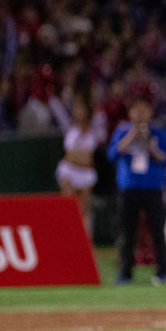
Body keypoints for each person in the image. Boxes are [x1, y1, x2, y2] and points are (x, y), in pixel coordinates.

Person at [107, 88, 166, 285]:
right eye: (137, 110)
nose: (141, 114)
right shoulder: (122, 132)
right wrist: (132, 135)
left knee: (158, 232)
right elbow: (112, 155)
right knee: (127, 233)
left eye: (145, 110)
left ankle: (163, 272)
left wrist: (150, 145)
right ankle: (125, 274)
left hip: (153, 189)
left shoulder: (159, 133)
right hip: (129, 189)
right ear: (130, 113)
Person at [55, 94, 107, 239]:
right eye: (77, 108)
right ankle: (66, 239)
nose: (79, 112)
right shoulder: (69, 126)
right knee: (69, 208)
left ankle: (84, 241)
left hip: (85, 173)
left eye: (82, 108)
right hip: (69, 171)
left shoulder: (94, 127)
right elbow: (57, 109)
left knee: (84, 211)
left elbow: (90, 151)